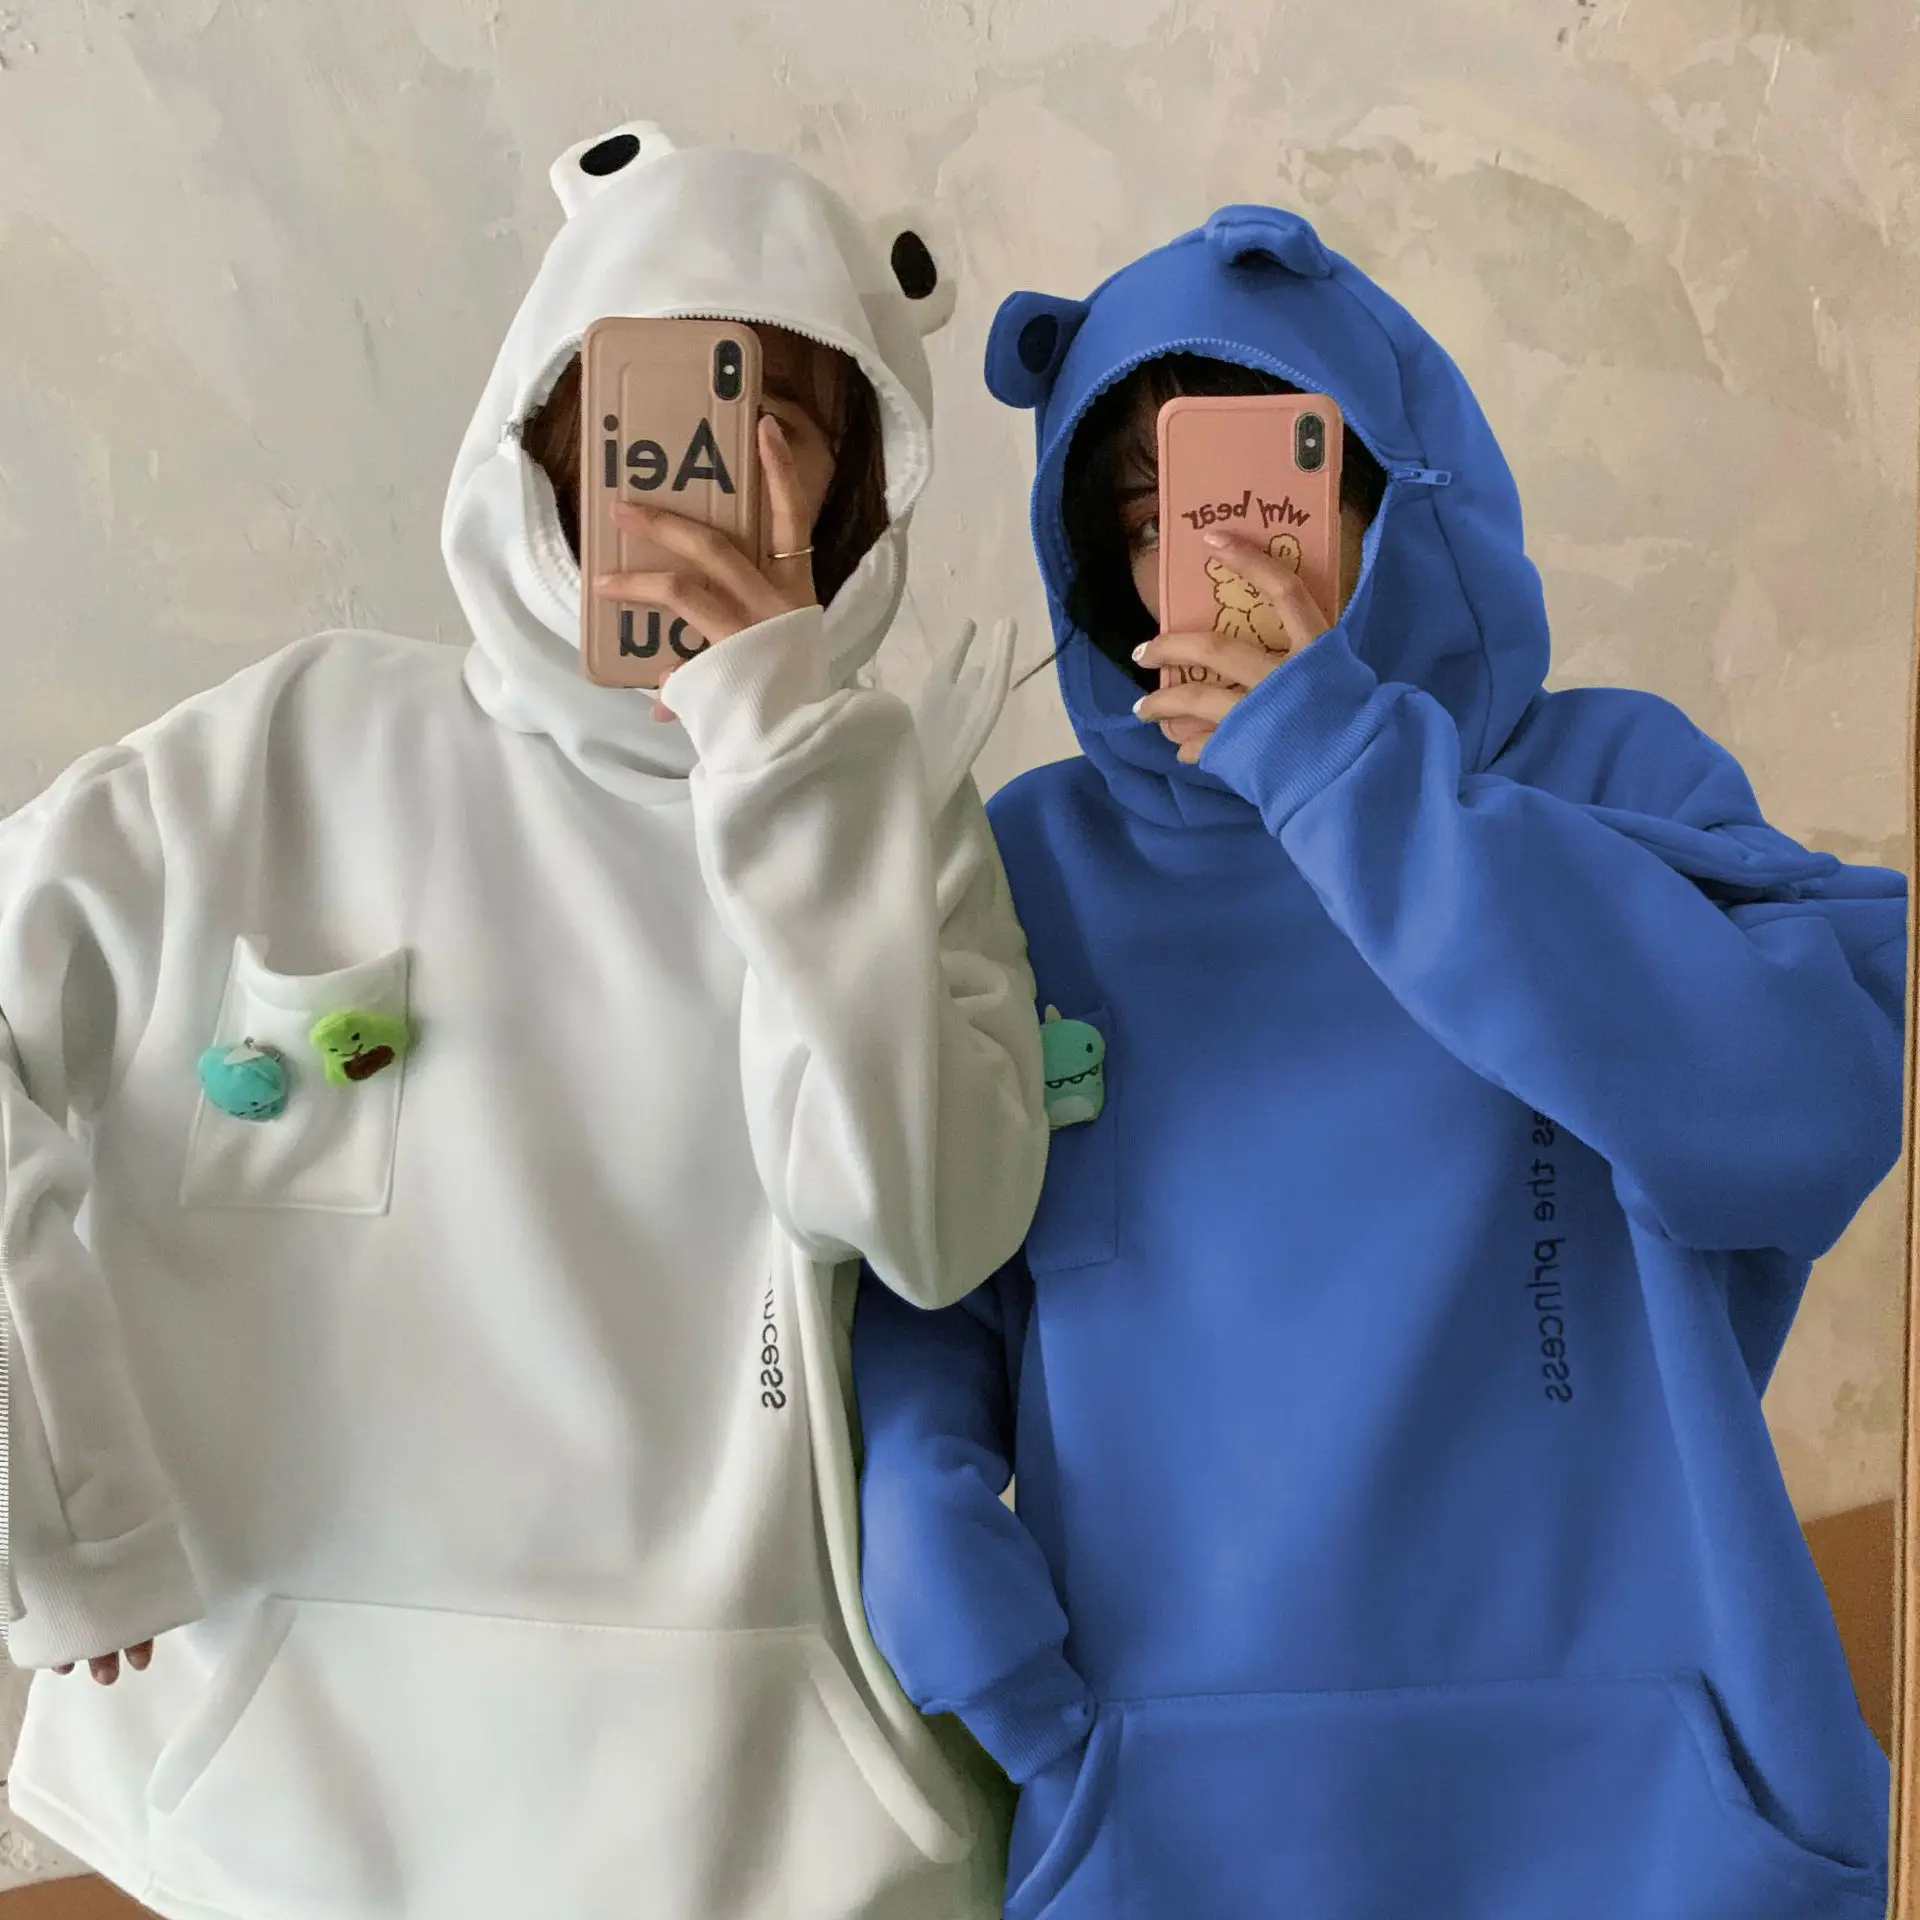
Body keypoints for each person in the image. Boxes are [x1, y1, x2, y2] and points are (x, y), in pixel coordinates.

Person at [0, 120, 1045, 1920]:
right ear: (552, 420)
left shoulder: (892, 812)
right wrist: (53, 1489)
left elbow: (931, 1225)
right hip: (257, 1813)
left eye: (789, 422)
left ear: (857, 491)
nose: (713, 469)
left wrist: (782, 757)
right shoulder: (294, 748)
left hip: (764, 1832)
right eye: (668, 406)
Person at [853, 202, 1903, 1919]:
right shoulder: (1033, 862)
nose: (1208, 556)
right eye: (1146, 515)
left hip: (1655, 1830)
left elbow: (1810, 1117)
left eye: (1264, 484)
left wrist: (1340, 766)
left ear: (1398, 487)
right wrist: (932, 1535)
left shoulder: (1610, 784)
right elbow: (922, 1252)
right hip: (1170, 1829)